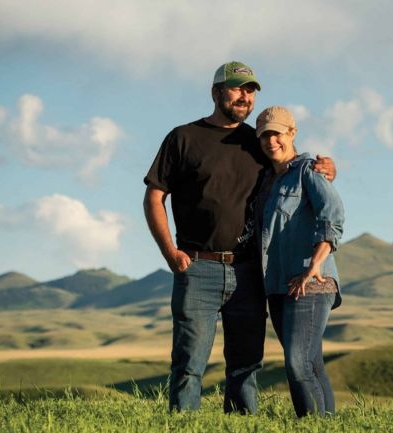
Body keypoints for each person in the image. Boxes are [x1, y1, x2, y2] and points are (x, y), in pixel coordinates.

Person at [143, 62, 335, 413]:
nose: (245, 96)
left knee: (246, 366)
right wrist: (170, 252)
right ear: (216, 93)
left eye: (250, 90)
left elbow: (292, 166)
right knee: (188, 364)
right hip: (197, 266)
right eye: (236, 88)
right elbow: (155, 197)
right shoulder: (183, 138)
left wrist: (324, 168)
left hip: (249, 271)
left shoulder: (257, 141)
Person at [254, 106, 344, 417]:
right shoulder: (266, 179)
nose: (271, 141)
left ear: (292, 133)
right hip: (278, 285)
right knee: (311, 362)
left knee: (297, 363)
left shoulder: (309, 171)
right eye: (264, 135)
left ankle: (310, 430)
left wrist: (314, 265)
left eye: (276, 133)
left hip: (312, 283)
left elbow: (332, 216)